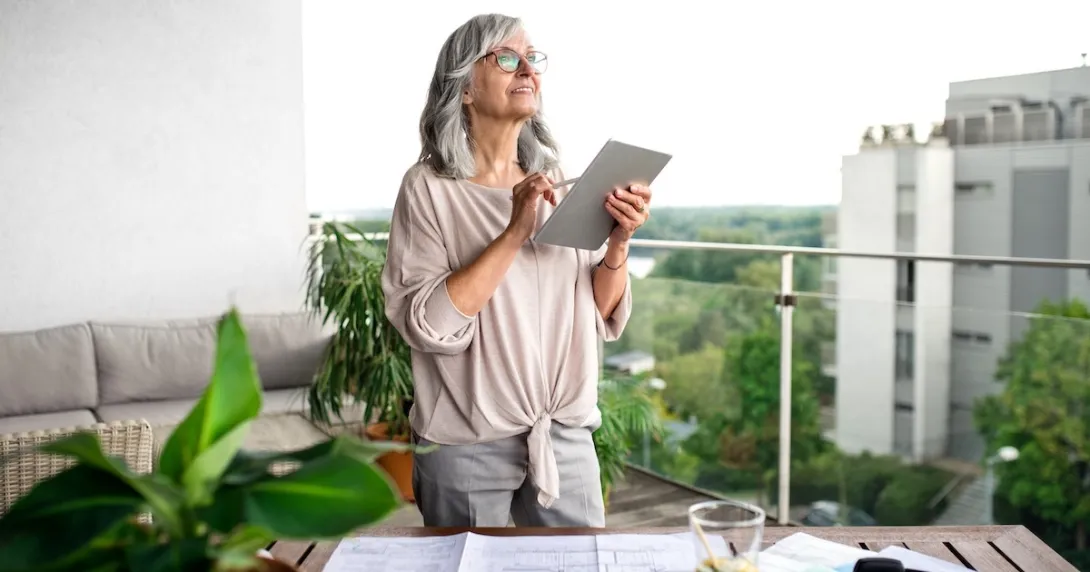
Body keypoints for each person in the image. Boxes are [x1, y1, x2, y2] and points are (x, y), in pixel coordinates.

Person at [381, 13, 652, 528]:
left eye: (532, 58)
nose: (527, 69)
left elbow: (595, 312)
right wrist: (512, 232)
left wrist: (618, 241)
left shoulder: (560, 185)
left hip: (564, 438)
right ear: (462, 87)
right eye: (506, 58)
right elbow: (429, 325)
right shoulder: (429, 189)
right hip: (466, 444)